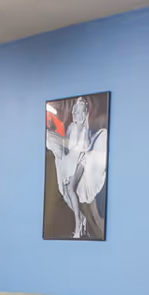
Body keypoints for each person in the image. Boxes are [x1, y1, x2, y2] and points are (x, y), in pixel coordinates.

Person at [45, 96, 108, 239]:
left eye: (81, 112)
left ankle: (78, 224)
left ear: (85, 114)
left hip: (81, 160)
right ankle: (81, 218)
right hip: (71, 160)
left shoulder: (86, 130)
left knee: (71, 189)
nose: (78, 115)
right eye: (76, 112)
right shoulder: (71, 128)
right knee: (65, 193)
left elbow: (84, 148)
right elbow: (68, 146)